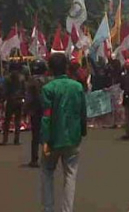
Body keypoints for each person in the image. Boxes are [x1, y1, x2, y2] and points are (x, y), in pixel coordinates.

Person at [40, 53, 87, 212]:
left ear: (50, 69)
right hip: (73, 138)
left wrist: (45, 140)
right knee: (70, 176)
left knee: (47, 173)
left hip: (53, 139)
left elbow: (46, 117)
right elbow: (83, 112)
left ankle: (48, 208)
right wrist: (82, 132)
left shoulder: (48, 89)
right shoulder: (78, 87)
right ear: (66, 67)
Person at [25, 59, 48, 167]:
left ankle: (34, 159)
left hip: (35, 110)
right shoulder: (48, 80)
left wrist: (26, 110)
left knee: (35, 136)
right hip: (46, 110)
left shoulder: (31, 81)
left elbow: (29, 97)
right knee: (46, 135)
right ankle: (47, 156)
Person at [0, 64, 26, 146]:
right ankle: (16, 140)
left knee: (7, 121)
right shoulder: (22, 78)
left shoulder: (7, 78)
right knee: (17, 121)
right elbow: (24, 90)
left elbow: (4, 90)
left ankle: (5, 140)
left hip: (10, 101)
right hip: (19, 100)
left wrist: (3, 99)